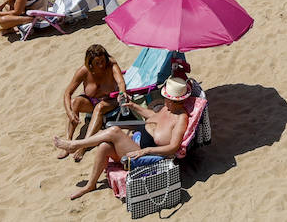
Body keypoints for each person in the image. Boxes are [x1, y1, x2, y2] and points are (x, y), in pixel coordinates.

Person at [54, 74, 195, 201]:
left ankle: (75, 145)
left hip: (147, 158)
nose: (164, 101)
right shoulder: (168, 108)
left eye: (167, 98)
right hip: (137, 145)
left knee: (114, 130)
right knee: (104, 146)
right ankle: (90, 185)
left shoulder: (180, 119)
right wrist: (133, 105)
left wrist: (146, 151)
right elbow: (153, 116)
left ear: (176, 101)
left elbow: (173, 147)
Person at [57, 45, 128, 160]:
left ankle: (83, 146)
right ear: (90, 63)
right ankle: (68, 142)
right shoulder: (84, 71)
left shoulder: (111, 65)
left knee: (99, 107)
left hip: (111, 101)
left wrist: (122, 92)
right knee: (75, 102)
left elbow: (121, 82)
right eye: (97, 63)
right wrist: (70, 113)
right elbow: (67, 93)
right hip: (91, 101)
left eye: (102, 61)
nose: (101, 65)